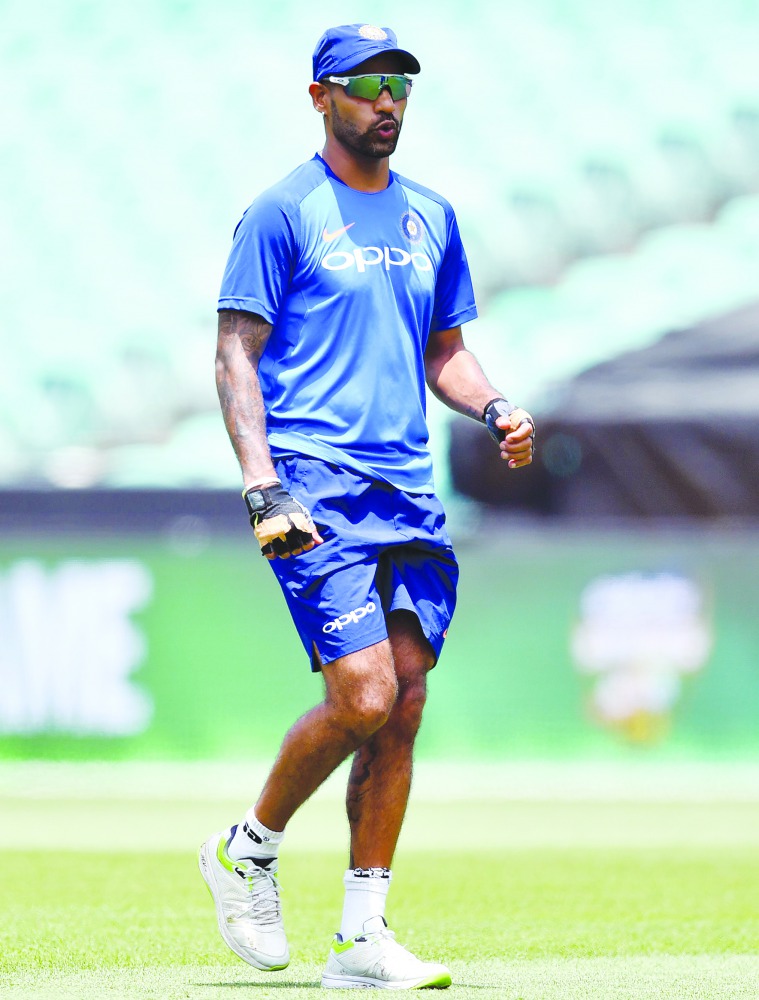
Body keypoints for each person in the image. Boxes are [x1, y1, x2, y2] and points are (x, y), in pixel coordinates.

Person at [198, 23, 534, 991]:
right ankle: (247, 849)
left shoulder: (433, 215)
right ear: (321, 97)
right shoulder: (281, 212)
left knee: (406, 704)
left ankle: (361, 937)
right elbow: (235, 354)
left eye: (401, 85)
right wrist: (264, 481)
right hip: (315, 486)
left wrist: (496, 402)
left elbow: (445, 351)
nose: (388, 101)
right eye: (367, 84)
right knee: (365, 693)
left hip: (407, 491)